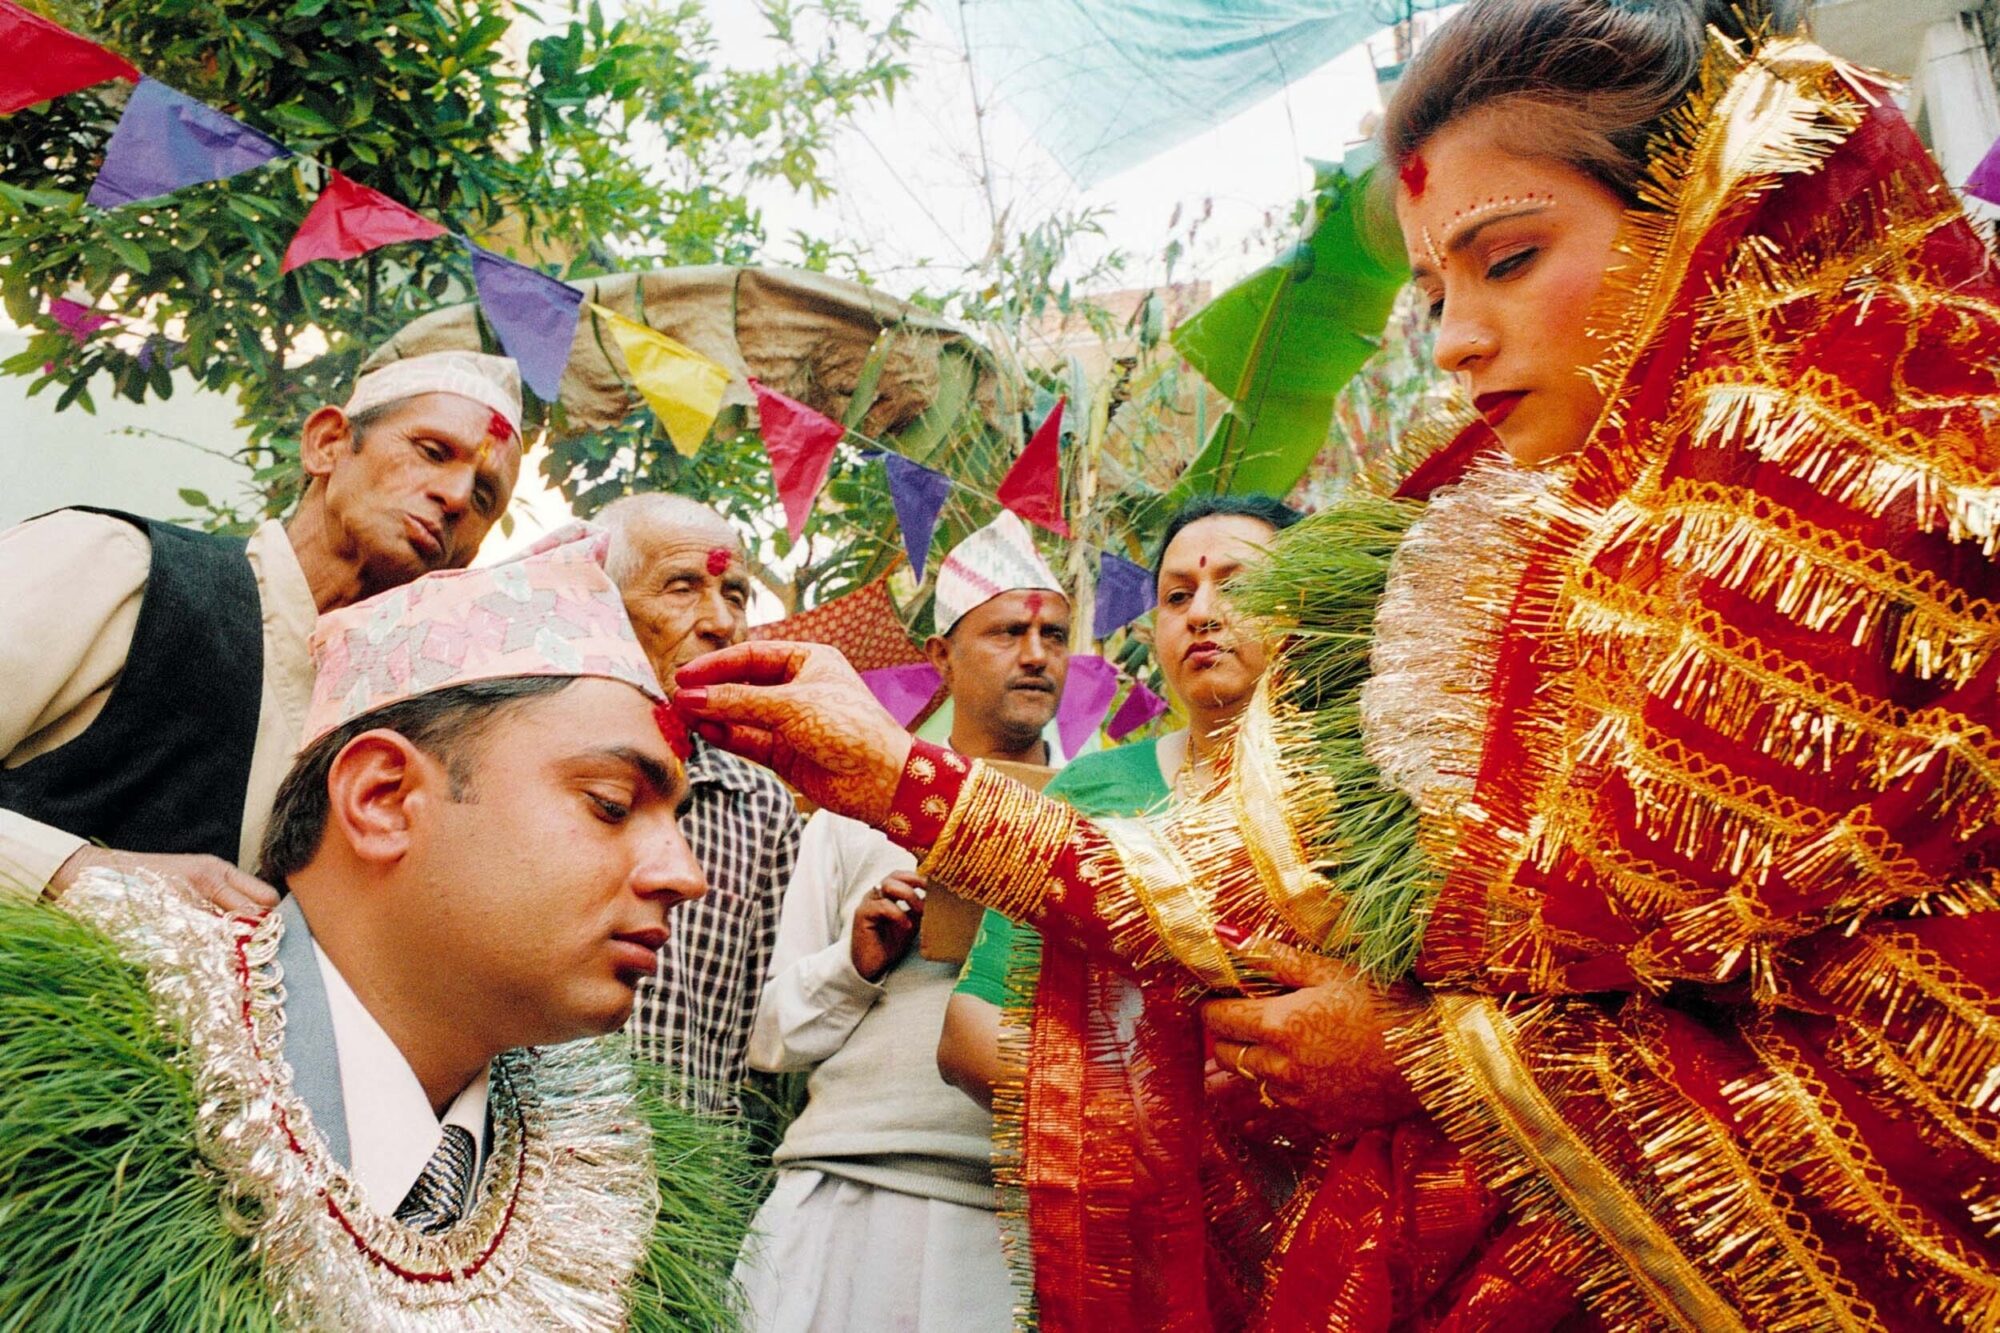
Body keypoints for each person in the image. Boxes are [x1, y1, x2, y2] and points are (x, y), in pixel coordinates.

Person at [672, 0, 2000, 1324]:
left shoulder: (1898, 525)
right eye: (1432, 293)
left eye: (1511, 258)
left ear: (1707, 215)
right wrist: (893, 776)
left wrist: (1431, 1061)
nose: (1456, 340)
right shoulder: (1535, 589)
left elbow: (1924, 1060)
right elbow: (1219, 901)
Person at [0, 526, 759, 1327]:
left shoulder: (624, 1205)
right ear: (382, 799)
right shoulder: (49, 1104)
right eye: (610, 804)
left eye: (675, 820)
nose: (686, 875)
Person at [0, 349, 525, 915]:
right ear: (327, 443)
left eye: (482, 497)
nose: (452, 497)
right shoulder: (120, 567)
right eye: (431, 451)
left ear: (469, 557)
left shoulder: (380, 743)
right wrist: (78, 873)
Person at [733, 509, 1070, 1332]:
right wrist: (856, 962)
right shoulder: (854, 814)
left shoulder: (1099, 816)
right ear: (941, 657)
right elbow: (770, 1037)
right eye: (1007, 631)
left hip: (1017, 1220)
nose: (1035, 653)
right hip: (843, 1188)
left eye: (1054, 634)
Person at [939, 494, 1299, 1112]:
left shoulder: (1369, 791)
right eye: (1178, 597)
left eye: (1238, 587)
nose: (1203, 615)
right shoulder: (1091, 789)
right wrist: (1138, 1118)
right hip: (1119, 1177)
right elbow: (971, 1027)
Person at [599, 494, 803, 1113]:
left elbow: (765, 1039)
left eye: (735, 595)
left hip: (697, 1185)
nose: (720, 623)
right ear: (602, 604)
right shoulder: (529, 766)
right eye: (682, 588)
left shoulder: (762, 804)